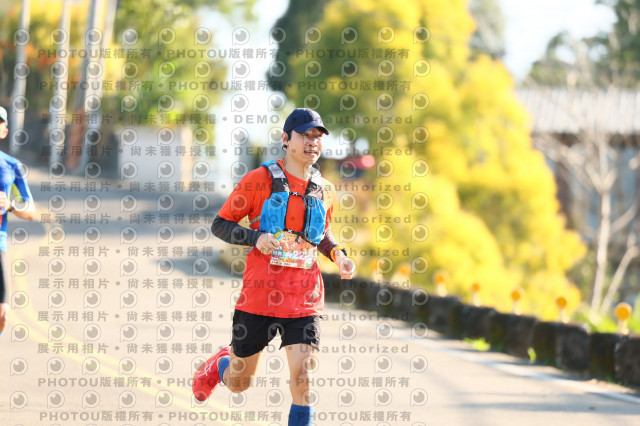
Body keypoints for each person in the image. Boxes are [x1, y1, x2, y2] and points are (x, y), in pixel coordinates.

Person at [193, 108, 355, 425]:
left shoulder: (326, 189)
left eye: (317, 136)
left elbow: (322, 233)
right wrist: (256, 237)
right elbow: (220, 224)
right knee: (239, 383)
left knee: (303, 377)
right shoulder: (259, 180)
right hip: (260, 296)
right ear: (286, 139)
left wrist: (338, 255)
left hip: (304, 298)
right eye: (305, 135)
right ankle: (221, 364)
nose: (312, 142)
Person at [0, 106, 37, 336]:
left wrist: (11, 205)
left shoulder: (12, 166)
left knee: (3, 314)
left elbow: (31, 211)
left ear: (4, 131)